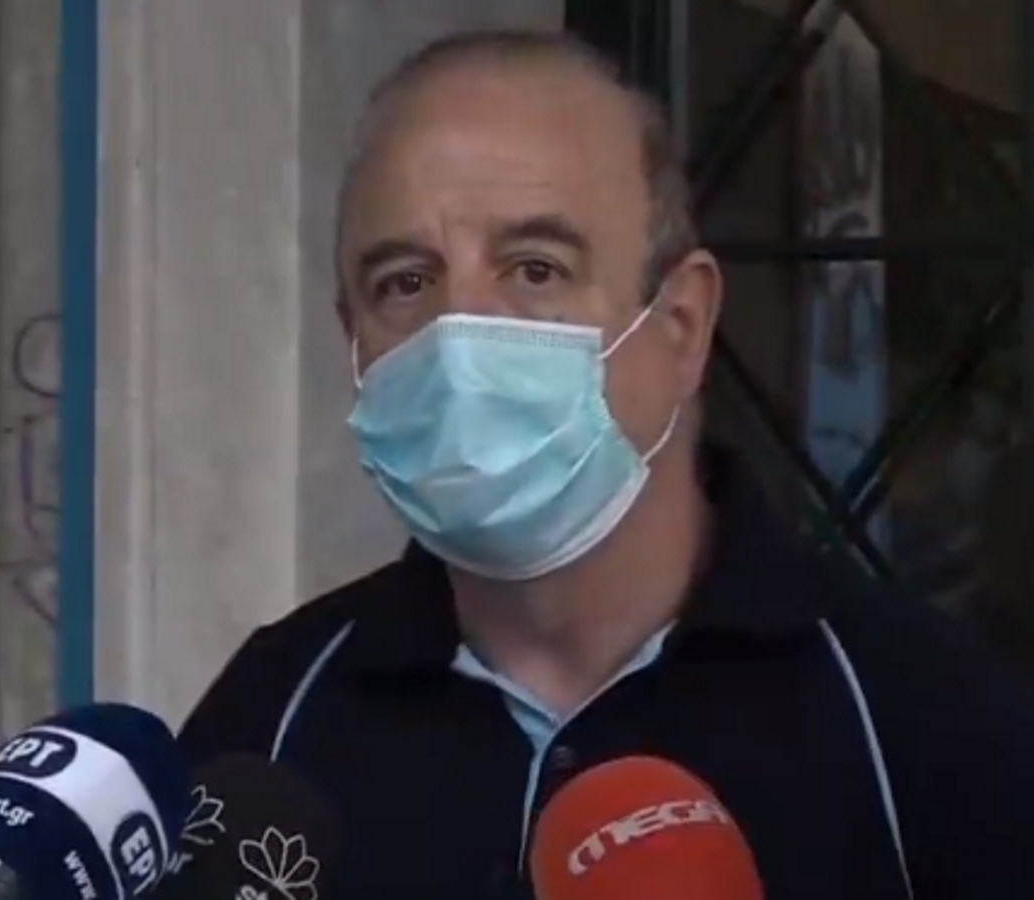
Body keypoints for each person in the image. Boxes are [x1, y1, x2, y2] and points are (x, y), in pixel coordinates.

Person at [180, 29, 1034, 899]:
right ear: (353, 341)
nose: (459, 331)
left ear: (682, 325)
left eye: (535, 269)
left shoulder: (927, 727)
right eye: (404, 281)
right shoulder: (269, 725)